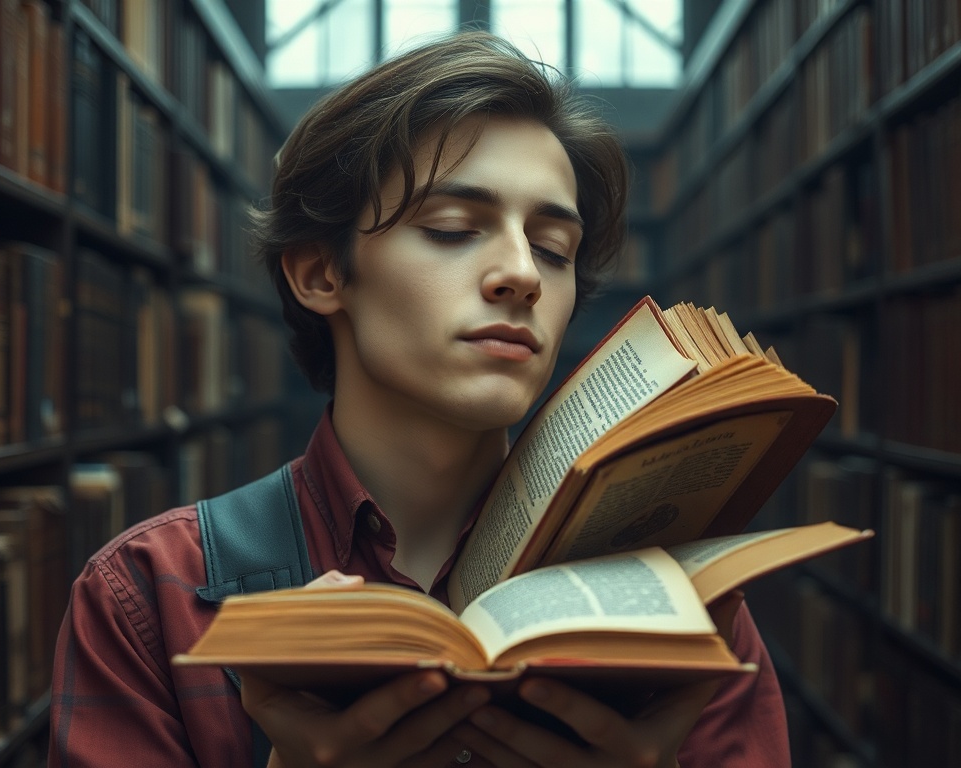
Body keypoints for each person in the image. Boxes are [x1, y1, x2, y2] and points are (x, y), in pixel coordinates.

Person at [49, 31, 791, 767]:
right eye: (452, 229)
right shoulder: (148, 597)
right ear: (320, 275)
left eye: (553, 249)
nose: (521, 274)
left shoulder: (676, 610)